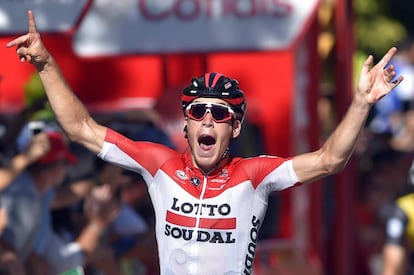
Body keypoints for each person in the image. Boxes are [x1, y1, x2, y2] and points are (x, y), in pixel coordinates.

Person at [6, 10, 403, 274]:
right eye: (198, 112)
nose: (207, 120)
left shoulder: (254, 174)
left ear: (235, 128)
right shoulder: (159, 163)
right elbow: (81, 128)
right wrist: (45, 63)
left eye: (220, 113)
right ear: (186, 123)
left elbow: (330, 160)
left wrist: (361, 102)